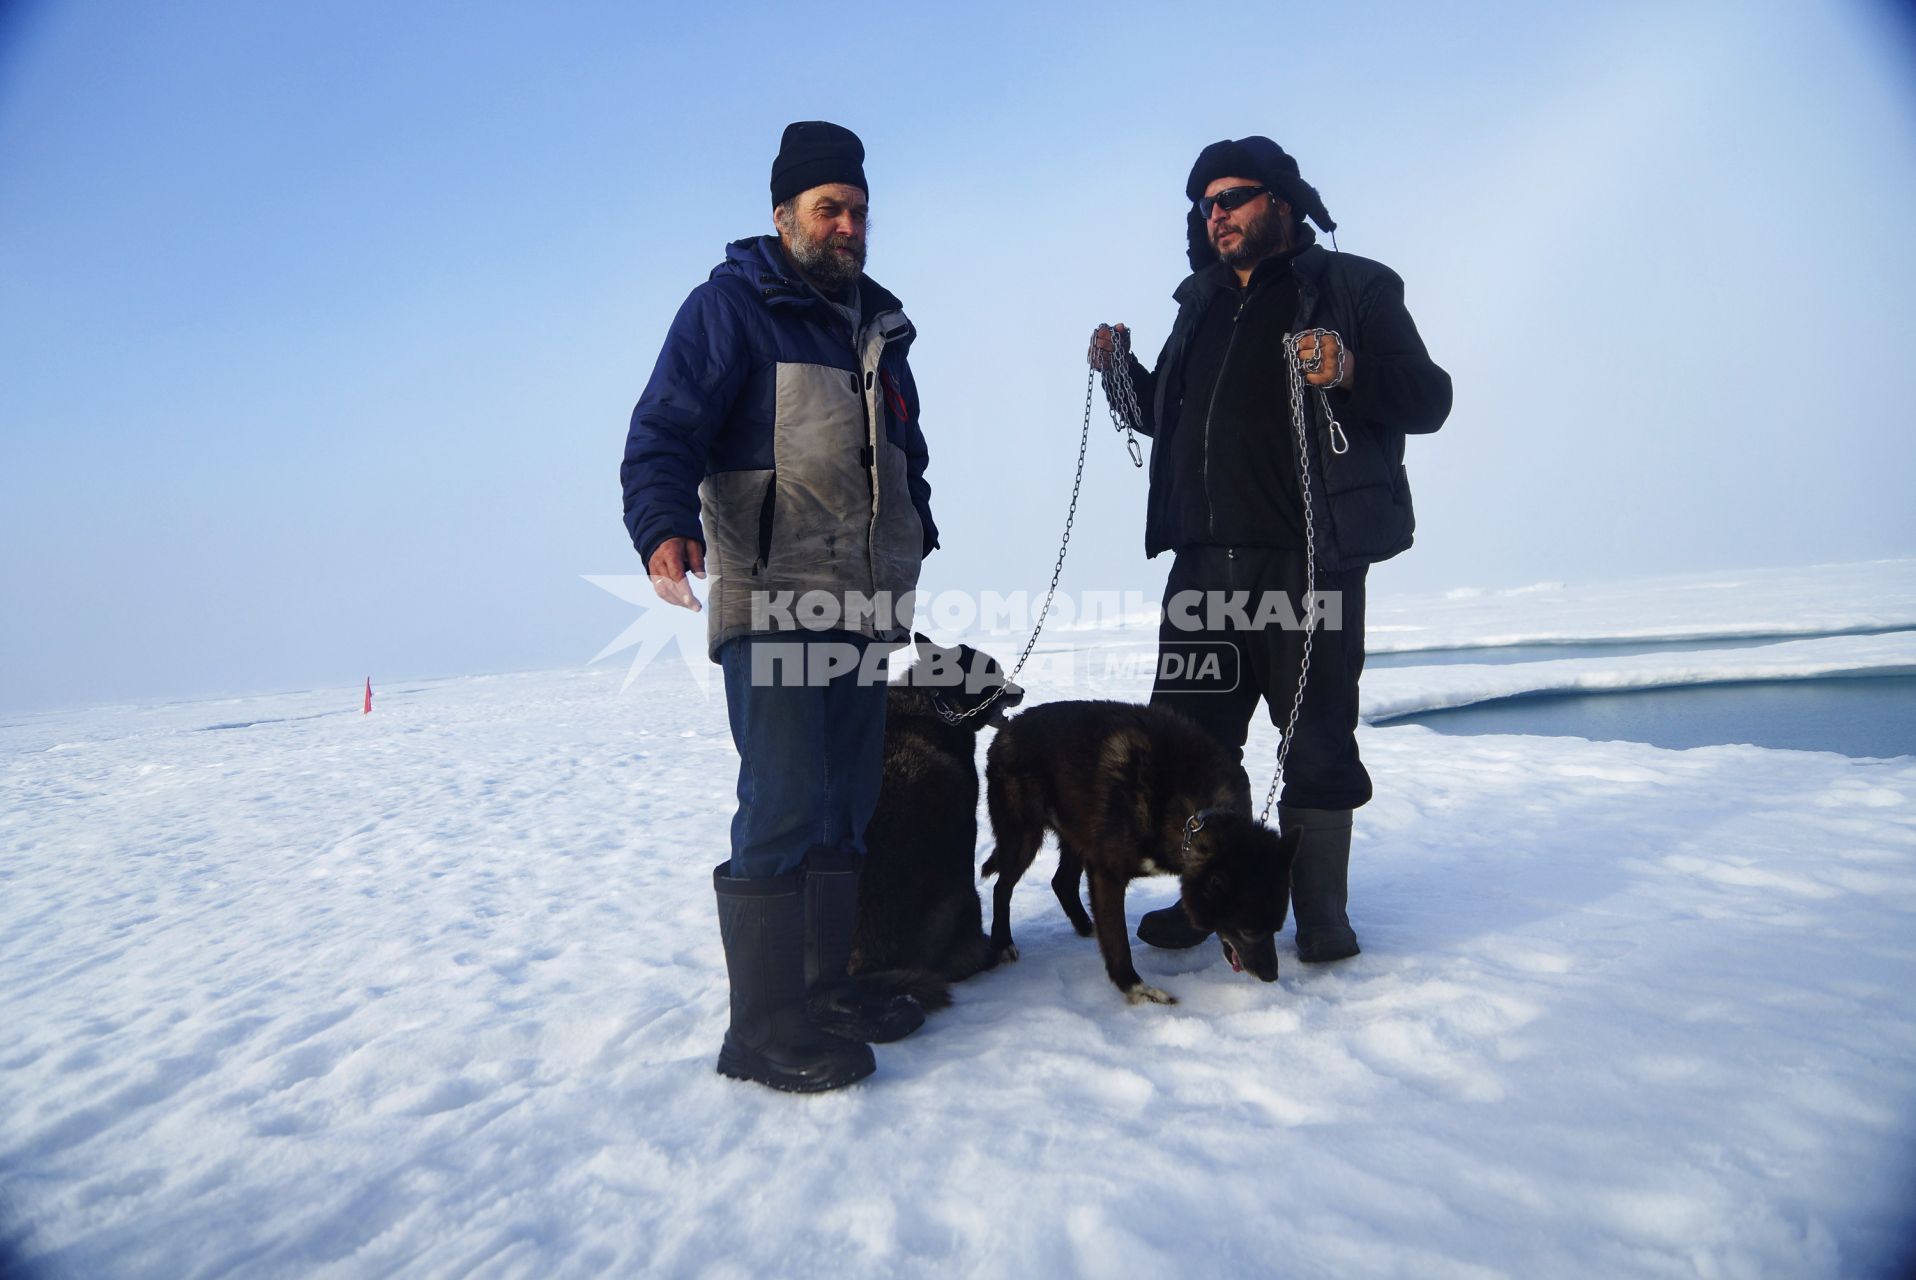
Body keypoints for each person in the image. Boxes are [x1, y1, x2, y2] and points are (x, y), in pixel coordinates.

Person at [622, 121, 938, 1092]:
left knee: (846, 799)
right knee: (785, 795)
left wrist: (916, 528)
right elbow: (663, 426)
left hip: (858, 601)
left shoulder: (875, 326)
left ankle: (822, 988)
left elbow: (904, 456)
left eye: (855, 210)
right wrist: (662, 524)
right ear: (782, 215)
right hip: (772, 598)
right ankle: (759, 1028)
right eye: (826, 209)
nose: (845, 226)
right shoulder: (731, 307)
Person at [1090, 136, 1450, 964]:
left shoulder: (1354, 286)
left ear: (1281, 201)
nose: (1216, 215)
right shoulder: (1201, 303)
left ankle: (1320, 912)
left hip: (1307, 561)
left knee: (1317, 737)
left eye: (1233, 198)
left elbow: (1430, 399)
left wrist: (1350, 369)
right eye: (1205, 206)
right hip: (1204, 567)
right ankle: (1205, 899)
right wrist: (1122, 376)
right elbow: (1166, 417)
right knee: (1188, 743)